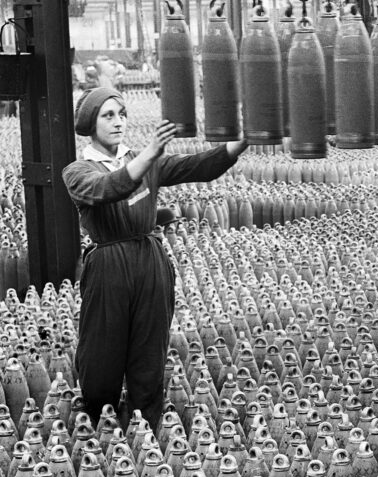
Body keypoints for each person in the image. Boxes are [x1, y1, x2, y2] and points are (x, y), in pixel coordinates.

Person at [62, 87, 249, 431]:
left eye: (122, 114)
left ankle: (144, 429)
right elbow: (109, 188)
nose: (118, 122)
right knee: (101, 354)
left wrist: (240, 143)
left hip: (150, 260)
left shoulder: (144, 161)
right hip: (108, 265)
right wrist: (148, 155)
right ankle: (98, 428)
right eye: (108, 115)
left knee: (149, 352)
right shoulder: (78, 171)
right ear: (90, 123)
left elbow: (197, 167)